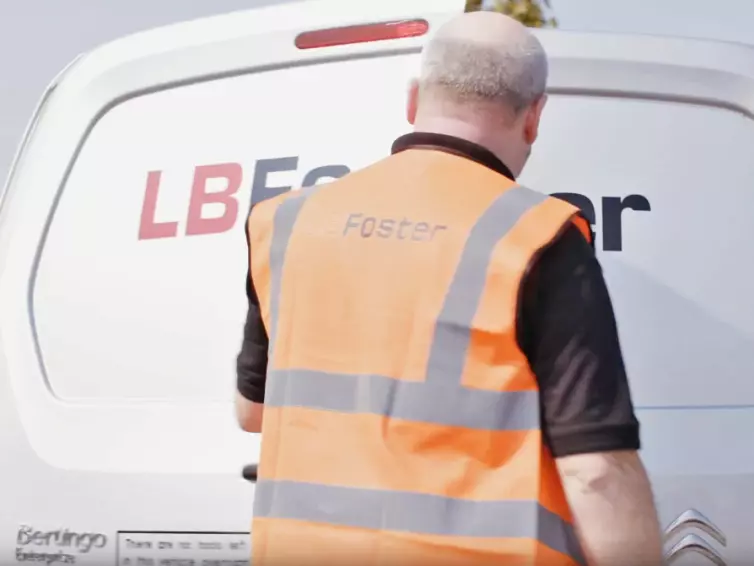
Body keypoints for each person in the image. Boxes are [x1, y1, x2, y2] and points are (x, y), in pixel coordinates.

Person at [235, 10, 663, 566]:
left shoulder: (285, 223)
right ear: (534, 118)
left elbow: (254, 412)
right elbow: (597, 470)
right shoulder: (539, 238)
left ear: (412, 102)